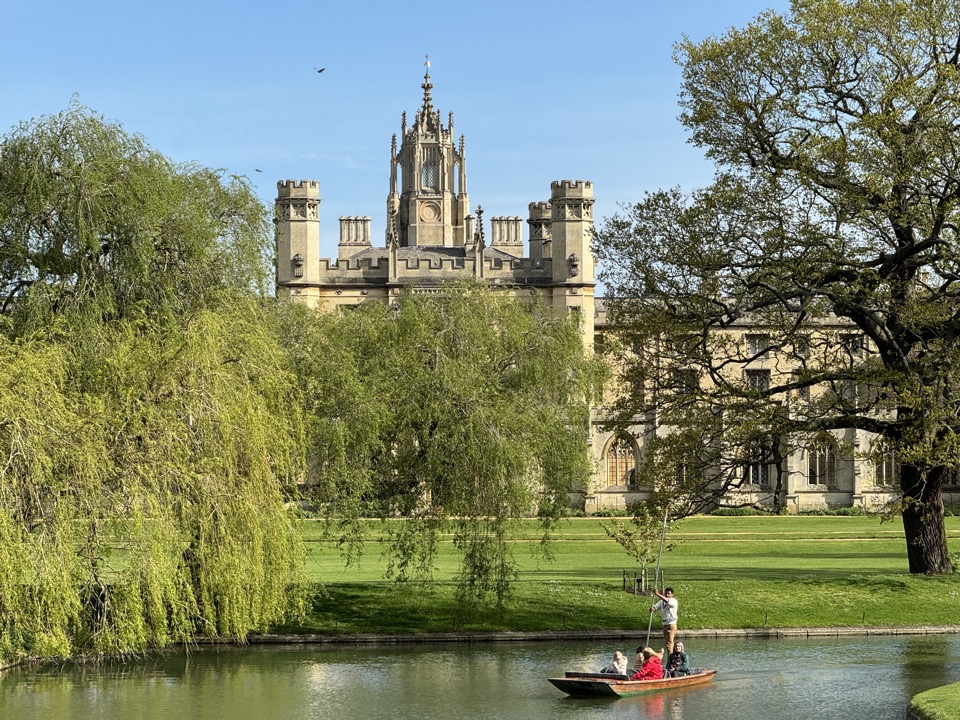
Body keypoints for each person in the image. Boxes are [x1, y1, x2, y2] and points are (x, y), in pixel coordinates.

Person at [650, 586, 678, 655]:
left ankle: (670, 658)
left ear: (672, 594)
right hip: (665, 624)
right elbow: (656, 607)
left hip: (671, 624)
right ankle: (672, 655)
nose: (667, 595)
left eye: (668, 593)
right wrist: (652, 609)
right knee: (667, 643)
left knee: (669, 643)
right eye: (666, 593)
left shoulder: (673, 601)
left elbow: (667, 601)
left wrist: (657, 594)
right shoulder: (661, 601)